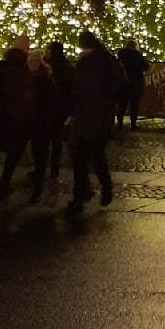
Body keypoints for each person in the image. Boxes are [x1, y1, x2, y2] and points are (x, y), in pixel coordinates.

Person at [67, 29, 127, 216]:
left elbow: (77, 88)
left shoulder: (90, 62)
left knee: (83, 158)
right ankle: (97, 190)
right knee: (92, 156)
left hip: (90, 115)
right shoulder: (108, 60)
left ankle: (83, 196)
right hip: (97, 116)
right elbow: (121, 84)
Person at [0, 37, 31, 195]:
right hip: (18, 114)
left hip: (2, 112)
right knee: (13, 152)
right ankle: (4, 182)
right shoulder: (25, 69)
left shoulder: (2, 67)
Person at [24, 52, 57, 201]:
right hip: (36, 122)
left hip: (40, 122)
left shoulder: (41, 79)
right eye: (29, 61)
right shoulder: (36, 78)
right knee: (38, 155)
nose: (31, 64)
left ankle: (37, 189)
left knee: (40, 155)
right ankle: (37, 183)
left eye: (34, 61)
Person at [47, 40, 74, 180]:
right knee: (56, 140)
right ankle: (54, 168)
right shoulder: (67, 66)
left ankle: (45, 168)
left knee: (45, 140)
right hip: (62, 109)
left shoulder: (52, 66)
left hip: (51, 108)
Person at [116, 38, 147, 131]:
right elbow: (146, 66)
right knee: (134, 105)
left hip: (124, 84)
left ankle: (120, 123)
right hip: (135, 84)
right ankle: (133, 124)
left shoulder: (121, 55)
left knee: (122, 104)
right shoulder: (137, 56)